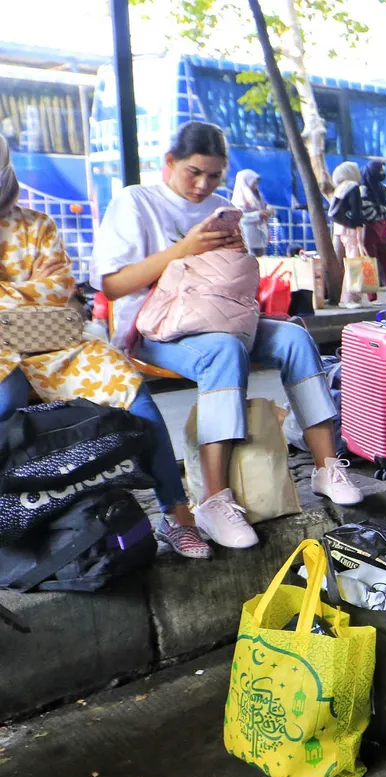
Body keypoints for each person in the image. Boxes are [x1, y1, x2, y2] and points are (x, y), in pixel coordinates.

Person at [91, 122, 362, 552]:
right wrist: (186, 249)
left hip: (221, 319)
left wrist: (235, 253)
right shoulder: (135, 202)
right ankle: (214, 502)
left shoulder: (220, 206)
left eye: (214, 175)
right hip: (152, 328)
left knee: (293, 336)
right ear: (169, 163)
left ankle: (327, 467)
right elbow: (112, 286)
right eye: (193, 172)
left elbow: (229, 283)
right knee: (224, 349)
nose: (203, 185)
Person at [0, 137, 212, 560]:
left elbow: (59, 289)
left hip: (46, 341)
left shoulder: (36, 224)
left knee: (128, 384)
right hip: (25, 337)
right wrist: (24, 296)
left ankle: (177, 516)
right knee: (5, 397)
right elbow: (44, 293)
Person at [329, 161, 369, 307]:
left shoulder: (340, 188)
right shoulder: (353, 187)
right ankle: (349, 298)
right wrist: (358, 227)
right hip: (351, 229)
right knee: (354, 263)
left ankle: (354, 297)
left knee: (349, 263)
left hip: (340, 229)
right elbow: (356, 210)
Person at [359, 160, 386, 303]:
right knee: (368, 266)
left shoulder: (385, 189)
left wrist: (380, 210)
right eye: (380, 170)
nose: (382, 173)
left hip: (384, 232)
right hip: (367, 233)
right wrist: (383, 210)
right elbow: (368, 212)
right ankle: (371, 298)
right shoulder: (362, 190)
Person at [230, 169, 271, 257]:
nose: (255, 186)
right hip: (246, 234)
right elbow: (240, 218)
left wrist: (267, 212)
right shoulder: (238, 200)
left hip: (259, 235)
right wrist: (257, 215)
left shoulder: (258, 197)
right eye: (254, 183)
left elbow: (263, 208)